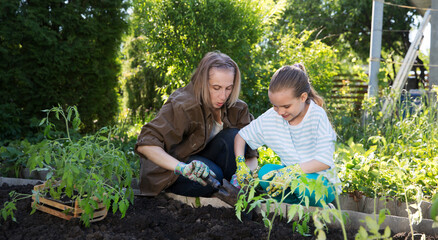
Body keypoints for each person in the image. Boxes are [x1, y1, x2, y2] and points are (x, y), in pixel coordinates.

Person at [135, 51, 258, 197]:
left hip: (207, 162)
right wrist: (182, 168)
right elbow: (146, 144)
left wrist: (245, 174)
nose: (223, 96)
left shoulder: (238, 109)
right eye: (216, 88)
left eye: (228, 88)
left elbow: (251, 156)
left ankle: (229, 192)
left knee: (234, 137)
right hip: (174, 168)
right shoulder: (184, 105)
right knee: (212, 177)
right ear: (202, 83)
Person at [234, 64, 340, 207]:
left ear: (303, 97)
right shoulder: (273, 116)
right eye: (275, 106)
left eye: (286, 106)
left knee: (299, 183)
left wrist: (291, 172)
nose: (280, 112)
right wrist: (240, 164)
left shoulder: (316, 116)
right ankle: (294, 208)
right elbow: (241, 137)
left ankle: (324, 205)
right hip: (290, 180)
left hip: (321, 183)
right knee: (265, 174)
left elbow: (324, 161)